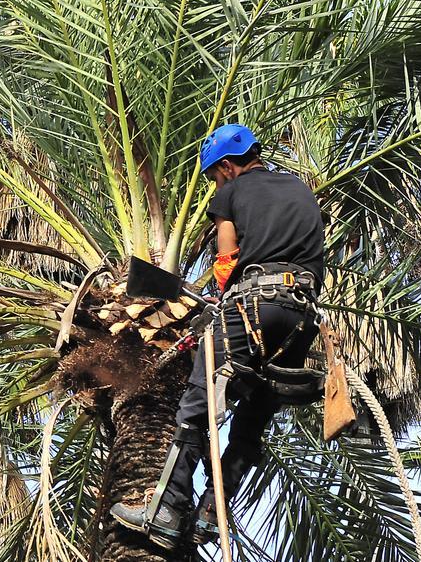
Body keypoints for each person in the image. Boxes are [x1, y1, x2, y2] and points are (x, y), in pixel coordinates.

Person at [110, 124, 325, 549]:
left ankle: (168, 509)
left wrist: (223, 295)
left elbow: (226, 262)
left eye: (213, 176)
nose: (215, 184)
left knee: (196, 405)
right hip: (301, 319)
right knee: (250, 423)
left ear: (227, 167)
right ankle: (212, 514)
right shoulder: (300, 190)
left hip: (253, 307)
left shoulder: (231, 192)